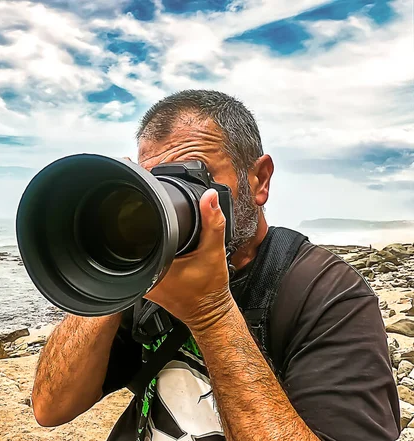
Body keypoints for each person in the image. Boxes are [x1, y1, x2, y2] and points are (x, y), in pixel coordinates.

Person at [31, 90, 400, 441]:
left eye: (195, 178)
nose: (170, 203)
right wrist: (109, 268)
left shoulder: (326, 293)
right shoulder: (151, 277)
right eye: (157, 185)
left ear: (259, 179)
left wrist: (211, 313)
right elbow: (51, 408)